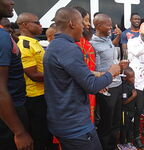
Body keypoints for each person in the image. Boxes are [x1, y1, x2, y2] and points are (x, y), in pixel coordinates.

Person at [43, 7, 120, 150]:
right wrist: (111, 72)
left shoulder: (55, 45)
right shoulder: (68, 48)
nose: (85, 27)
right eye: (82, 23)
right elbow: (91, 85)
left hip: (62, 120)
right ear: (72, 24)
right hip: (75, 125)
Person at [16, 12, 53, 150]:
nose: (41, 25)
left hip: (44, 94)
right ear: (25, 25)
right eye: (37, 22)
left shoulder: (34, 43)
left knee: (47, 133)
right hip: (35, 98)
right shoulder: (24, 45)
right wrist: (57, 76)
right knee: (40, 136)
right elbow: (33, 75)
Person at [0, 0, 34, 149]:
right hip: (10, 114)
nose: (12, 2)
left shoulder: (5, 36)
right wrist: (19, 132)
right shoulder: (1, 38)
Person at [90, 13, 123, 150]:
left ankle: (114, 146)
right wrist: (101, 83)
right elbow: (94, 69)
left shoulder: (107, 39)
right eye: (107, 24)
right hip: (106, 88)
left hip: (118, 84)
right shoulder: (93, 44)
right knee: (106, 124)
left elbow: (110, 47)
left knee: (116, 121)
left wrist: (118, 37)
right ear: (97, 26)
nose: (111, 27)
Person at [73, 6, 97, 123]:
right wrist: (103, 75)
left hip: (90, 88)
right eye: (86, 20)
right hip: (78, 93)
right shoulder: (72, 45)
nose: (88, 24)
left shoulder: (84, 41)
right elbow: (77, 72)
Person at [118, 67, 138, 150]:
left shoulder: (131, 84)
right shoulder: (124, 87)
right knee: (124, 128)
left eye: (134, 76)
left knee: (130, 127)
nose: (133, 79)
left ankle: (128, 142)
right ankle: (122, 144)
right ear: (125, 78)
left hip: (131, 110)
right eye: (131, 77)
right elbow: (124, 102)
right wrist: (133, 96)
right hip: (124, 112)